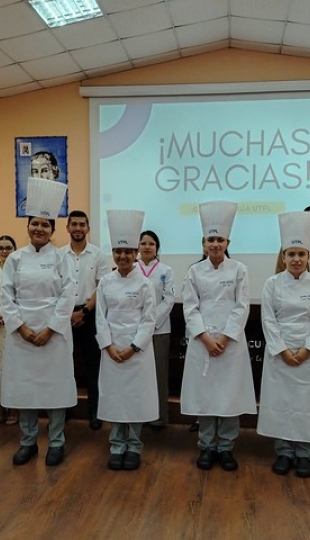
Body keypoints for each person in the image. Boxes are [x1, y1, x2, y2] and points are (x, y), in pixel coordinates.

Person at [1, 177, 77, 466]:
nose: (39, 228)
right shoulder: (15, 259)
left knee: (55, 390)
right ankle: (28, 441)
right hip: (22, 335)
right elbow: (6, 296)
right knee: (25, 390)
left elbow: (67, 296)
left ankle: (56, 442)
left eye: (45, 224)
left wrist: (50, 329)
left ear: (52, 230)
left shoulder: (61, 259)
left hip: (53, 335)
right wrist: (20, 327)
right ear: (28, 226)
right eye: (35, 223)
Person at [181, 201, 257, 471]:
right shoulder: (194, 271)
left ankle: (226, 447)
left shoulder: (239, 270)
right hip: (203, 345)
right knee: (206, 398)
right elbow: (190, 307)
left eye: (219, 239)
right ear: (204, 243)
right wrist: (206, 338)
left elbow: (241, 306)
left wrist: (224, 338)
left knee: (228, 397)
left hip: (230, 346)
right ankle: (206, 447)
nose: (215, 244)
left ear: (227, 241)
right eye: (210, 239)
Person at [96, 210, 158, 471]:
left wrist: (134, 347)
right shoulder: (105, 283)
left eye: (128, 251)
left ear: (135, 254)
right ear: (113, 253)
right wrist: (108, 346)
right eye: (118, 251)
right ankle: (116, 445)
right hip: (111, 350)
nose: (123, 256)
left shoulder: (145, 284)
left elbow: (149, 319)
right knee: (114, 398)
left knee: (134, 399)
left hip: (137, 352)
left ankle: (133, 446)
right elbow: (100, 316)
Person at [257, 211, 310, 478]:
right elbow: (268, 319)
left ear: (308, 257)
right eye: (291, 254)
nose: (296, 259)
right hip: (279, 354)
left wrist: (305, 350)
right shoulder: (272, 284)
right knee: (281, 402)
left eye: (301, 254)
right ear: (284, 257)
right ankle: (284, 451)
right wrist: (283, 350)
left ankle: (304, 452)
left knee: (305, 403)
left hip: (307, 354)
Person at [61, 210, 108, 430]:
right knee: (63, 365)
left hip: (89, 317)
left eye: (82, 224)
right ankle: (64, 410)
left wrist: (84, 312)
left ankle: (94, 413)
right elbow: (56, 288)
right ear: (68, 227)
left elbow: (102, 288)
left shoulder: (98, 255)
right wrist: (69, 313)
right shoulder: (59, 256)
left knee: (93, 367)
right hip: (64, 316)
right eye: (74, 224)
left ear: (88, 228)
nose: (78, 228)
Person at [137, 230, 175, 430]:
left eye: (151, 243)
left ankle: (159, 417)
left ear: (157, 247)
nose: (147, 247)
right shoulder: (131, 269)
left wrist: (151, 322)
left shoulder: (166, 270)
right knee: (138, 374)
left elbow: (169, 298)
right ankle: (138, 415)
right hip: (134, 330)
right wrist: (141, 324)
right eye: (143, 243)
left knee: (159, 373)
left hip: (159, 329)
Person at [0, 235, 19, 425]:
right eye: (1, 248)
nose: (4, 251)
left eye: (8, 248)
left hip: (12, 326)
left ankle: (13, 409)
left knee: (11, 369)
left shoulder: (18, 271)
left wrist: (7, 316)